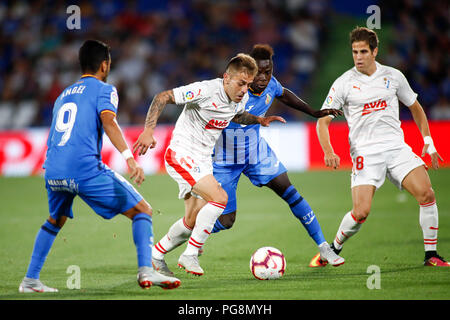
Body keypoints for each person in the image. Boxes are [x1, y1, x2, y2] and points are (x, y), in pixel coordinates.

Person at [19, 40, 181, 293]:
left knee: (55, 219)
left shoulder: (63, 94)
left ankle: (30, 280)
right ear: (104, 65)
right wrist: (129, 158)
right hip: (82, 168)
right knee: (143, 211)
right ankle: (146, 270)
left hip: (52, 168)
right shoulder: (105, 89)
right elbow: (109, 121)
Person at [133, 53, 285, 276]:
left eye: (248, 85)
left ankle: (156, 256)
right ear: (226, 78)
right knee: (220, 198)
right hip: (182, 153)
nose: (245, 90)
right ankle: (190, 255)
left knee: (192, 221)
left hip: (203, 159)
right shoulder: (205, 90)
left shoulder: (239, 98)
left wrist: (258, 120)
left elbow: (237, 115)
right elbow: (162, 97)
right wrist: (148, 131)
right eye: (241, 83)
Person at [310, 27, 448, 267]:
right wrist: (328, 150)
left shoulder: (393, 76)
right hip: (365, 152)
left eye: (363, 51)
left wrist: (428, 142)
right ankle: (333, 248)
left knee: (427, 194)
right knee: (361, 212)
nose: (358, 57)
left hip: (396, 147)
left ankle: (431, 255)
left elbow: (415, 108)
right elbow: (323, 121)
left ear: (375, 51)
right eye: (354, 52)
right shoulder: (343, 83)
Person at [207, 44, 344, 266]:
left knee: (289, 191)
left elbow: (285, 95)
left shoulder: (271, 84)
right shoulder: (234, 90)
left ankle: (324, 248)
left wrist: (314, 112)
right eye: (258, 72)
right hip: (225, 160)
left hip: (256, 153)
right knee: (226, 220)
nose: (263, 77)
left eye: (268, 72)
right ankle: (196, 232)